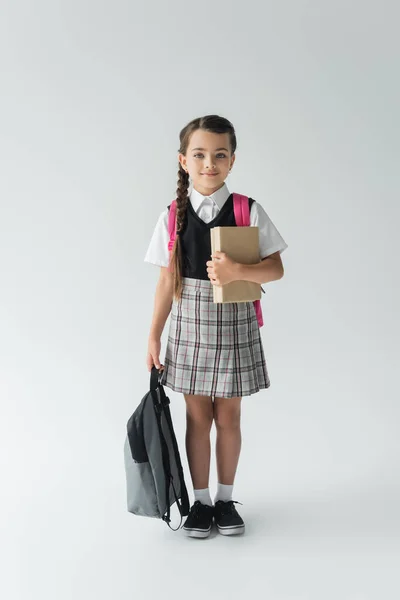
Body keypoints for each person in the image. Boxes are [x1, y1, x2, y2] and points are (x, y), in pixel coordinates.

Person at [144, 114, 288, 538]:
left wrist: (237, 270)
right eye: (200, 154)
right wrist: (153, 334)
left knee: (229, 414)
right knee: (196, 417)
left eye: (219, 155)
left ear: (232, 160)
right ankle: (202, 503)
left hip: (234, 322)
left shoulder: (247, 209)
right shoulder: (173, 214)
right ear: (184, 161)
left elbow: (276, 269)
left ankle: (226, 500)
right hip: (190, 323)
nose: (210, 162)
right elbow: (166, 281)